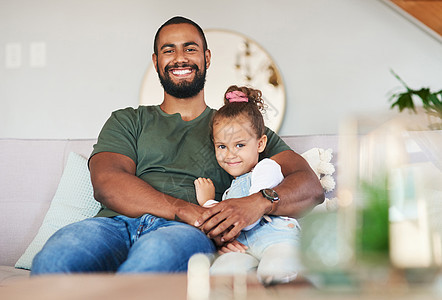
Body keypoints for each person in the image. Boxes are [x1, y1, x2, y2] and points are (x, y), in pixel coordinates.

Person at [31, 16, 324, 275]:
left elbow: (309, 186)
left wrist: (258, 202)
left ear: (207, 58)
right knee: (54, 261)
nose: (180, 58)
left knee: (151, 264)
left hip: (183, 235)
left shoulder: (237, 128)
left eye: (190, 48)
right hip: (113, 226)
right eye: (168, 50)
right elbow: (107, 183)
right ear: (156, 61)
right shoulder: (129, 121)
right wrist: (185, 209)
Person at [194, 85, 302, 285]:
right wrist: (224, 237)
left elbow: (248, 216)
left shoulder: (267, 168)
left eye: (240, 145)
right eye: (222, 146)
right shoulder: (231, 188)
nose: (230, 154)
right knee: (221, 272)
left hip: (277, 240)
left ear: (260, 144)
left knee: (277, 270)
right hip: (245, 246)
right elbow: (225, 222)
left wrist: (208, 202)